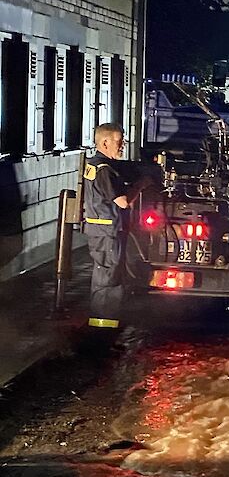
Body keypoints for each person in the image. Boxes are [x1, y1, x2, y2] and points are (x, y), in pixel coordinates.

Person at [82, 123, 148, 332]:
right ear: (105, 142)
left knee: (109, 273)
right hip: (106, 233)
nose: (123, 145)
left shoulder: (97, 165)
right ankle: (102, 328)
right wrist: (141, 184)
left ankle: (108, 323)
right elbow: (122, 202)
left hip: (104, 231)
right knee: (107, 277)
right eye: (120, 141)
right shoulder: (104, 171)